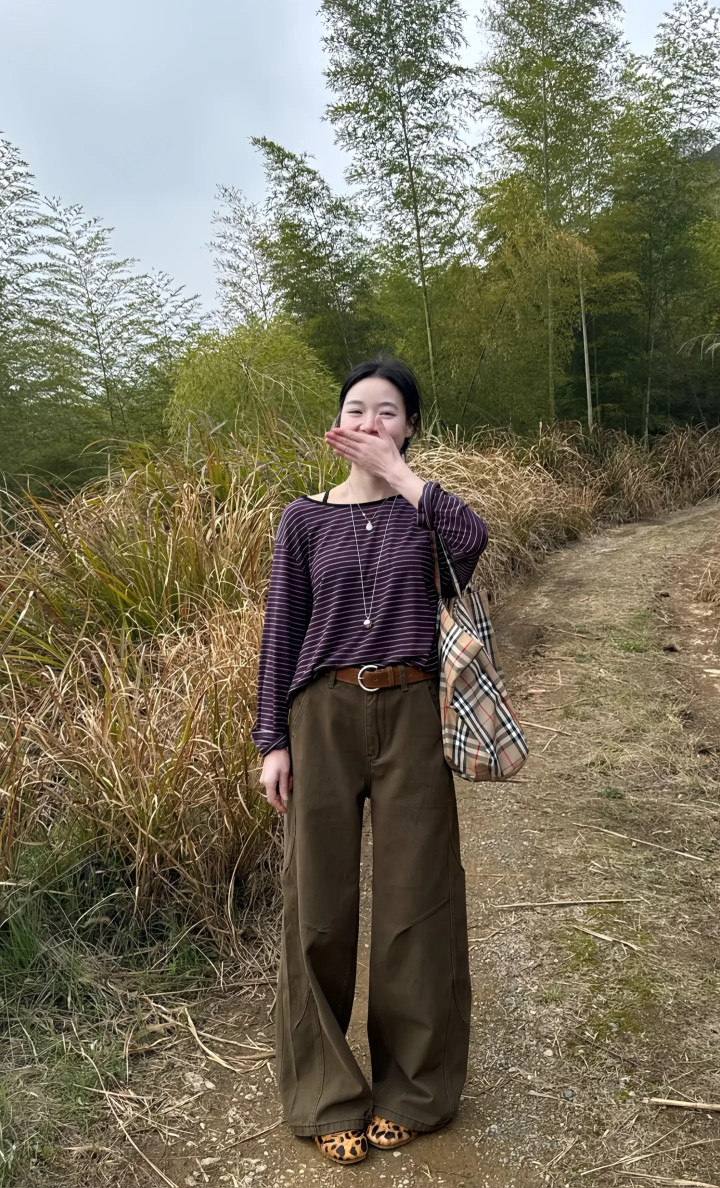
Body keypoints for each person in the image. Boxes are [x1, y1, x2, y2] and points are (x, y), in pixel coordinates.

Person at [251, 357, 489, 1165]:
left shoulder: (428, 515)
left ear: (410, 425)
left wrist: (402, 476)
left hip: (414, 710)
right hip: (320, 715)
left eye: (388, 411)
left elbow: (473, 541)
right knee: (315, 904)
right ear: (337, 422)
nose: (370, 422)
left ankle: (415, 1089)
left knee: (418, 898)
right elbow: (281, 631)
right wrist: (271, 741)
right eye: (357, 409)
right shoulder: (302, 520)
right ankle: (325, 1095)